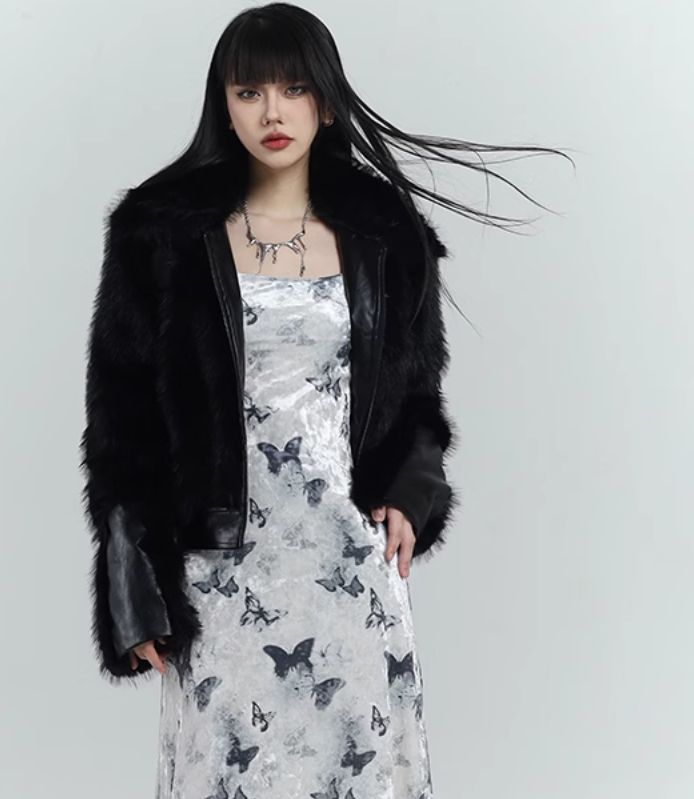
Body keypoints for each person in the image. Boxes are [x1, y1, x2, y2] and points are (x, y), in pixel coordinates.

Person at [80, 3, 571, 797]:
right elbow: (120, 423)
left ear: (328, 101)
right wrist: (135, 587)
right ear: (223, 106)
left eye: (294, 88)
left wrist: (411, 492)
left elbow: (417, 397)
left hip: (349, 566)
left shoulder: (385, 235)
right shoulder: (158, 235)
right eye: (249, 92)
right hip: (218, 572)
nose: (272, 113)